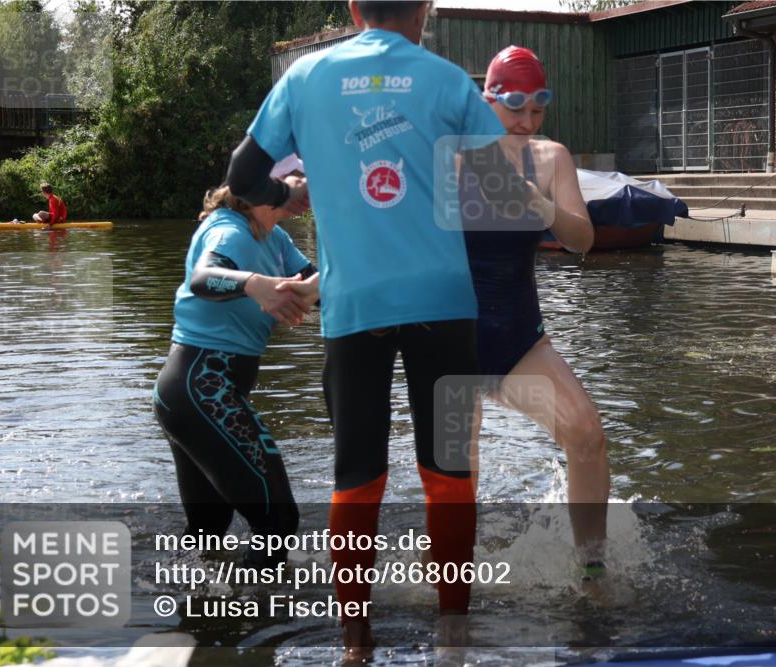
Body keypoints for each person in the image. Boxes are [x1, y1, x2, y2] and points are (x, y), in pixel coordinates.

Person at [225, 0, 535, 660]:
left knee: (357, 475)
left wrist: (292, 195)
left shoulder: (305, 79)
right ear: (422, 9)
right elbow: (503, 194)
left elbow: (241, 174)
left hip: (354, 302)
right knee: (449, 474)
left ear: (352, 7)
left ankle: (355, 640)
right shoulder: (448, 79)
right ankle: (453, 633)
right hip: (445, 301)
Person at [462, 46, 610, 577]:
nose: (527, 121)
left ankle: (591, 570)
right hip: (451, 340)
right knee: (461, 472)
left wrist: (542, 206)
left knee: (587, 434)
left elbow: (583, 242)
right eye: (515, 107)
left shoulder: (551, 159)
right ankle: (453, 584)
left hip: (519, 338)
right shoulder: (452, 155)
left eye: (538, 109)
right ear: (488, 100)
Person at [152, 181, 318, 567]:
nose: (309, 187)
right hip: (202, 389)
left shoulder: (273, 237)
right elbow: (202, 278)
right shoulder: (231, 230)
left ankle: (202, 617)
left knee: (208, 534)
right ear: (264, 184)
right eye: (298, 179)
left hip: (192, 393)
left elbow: (319, 289)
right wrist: (252, 283)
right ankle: (266, 620)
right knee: (277, 521)